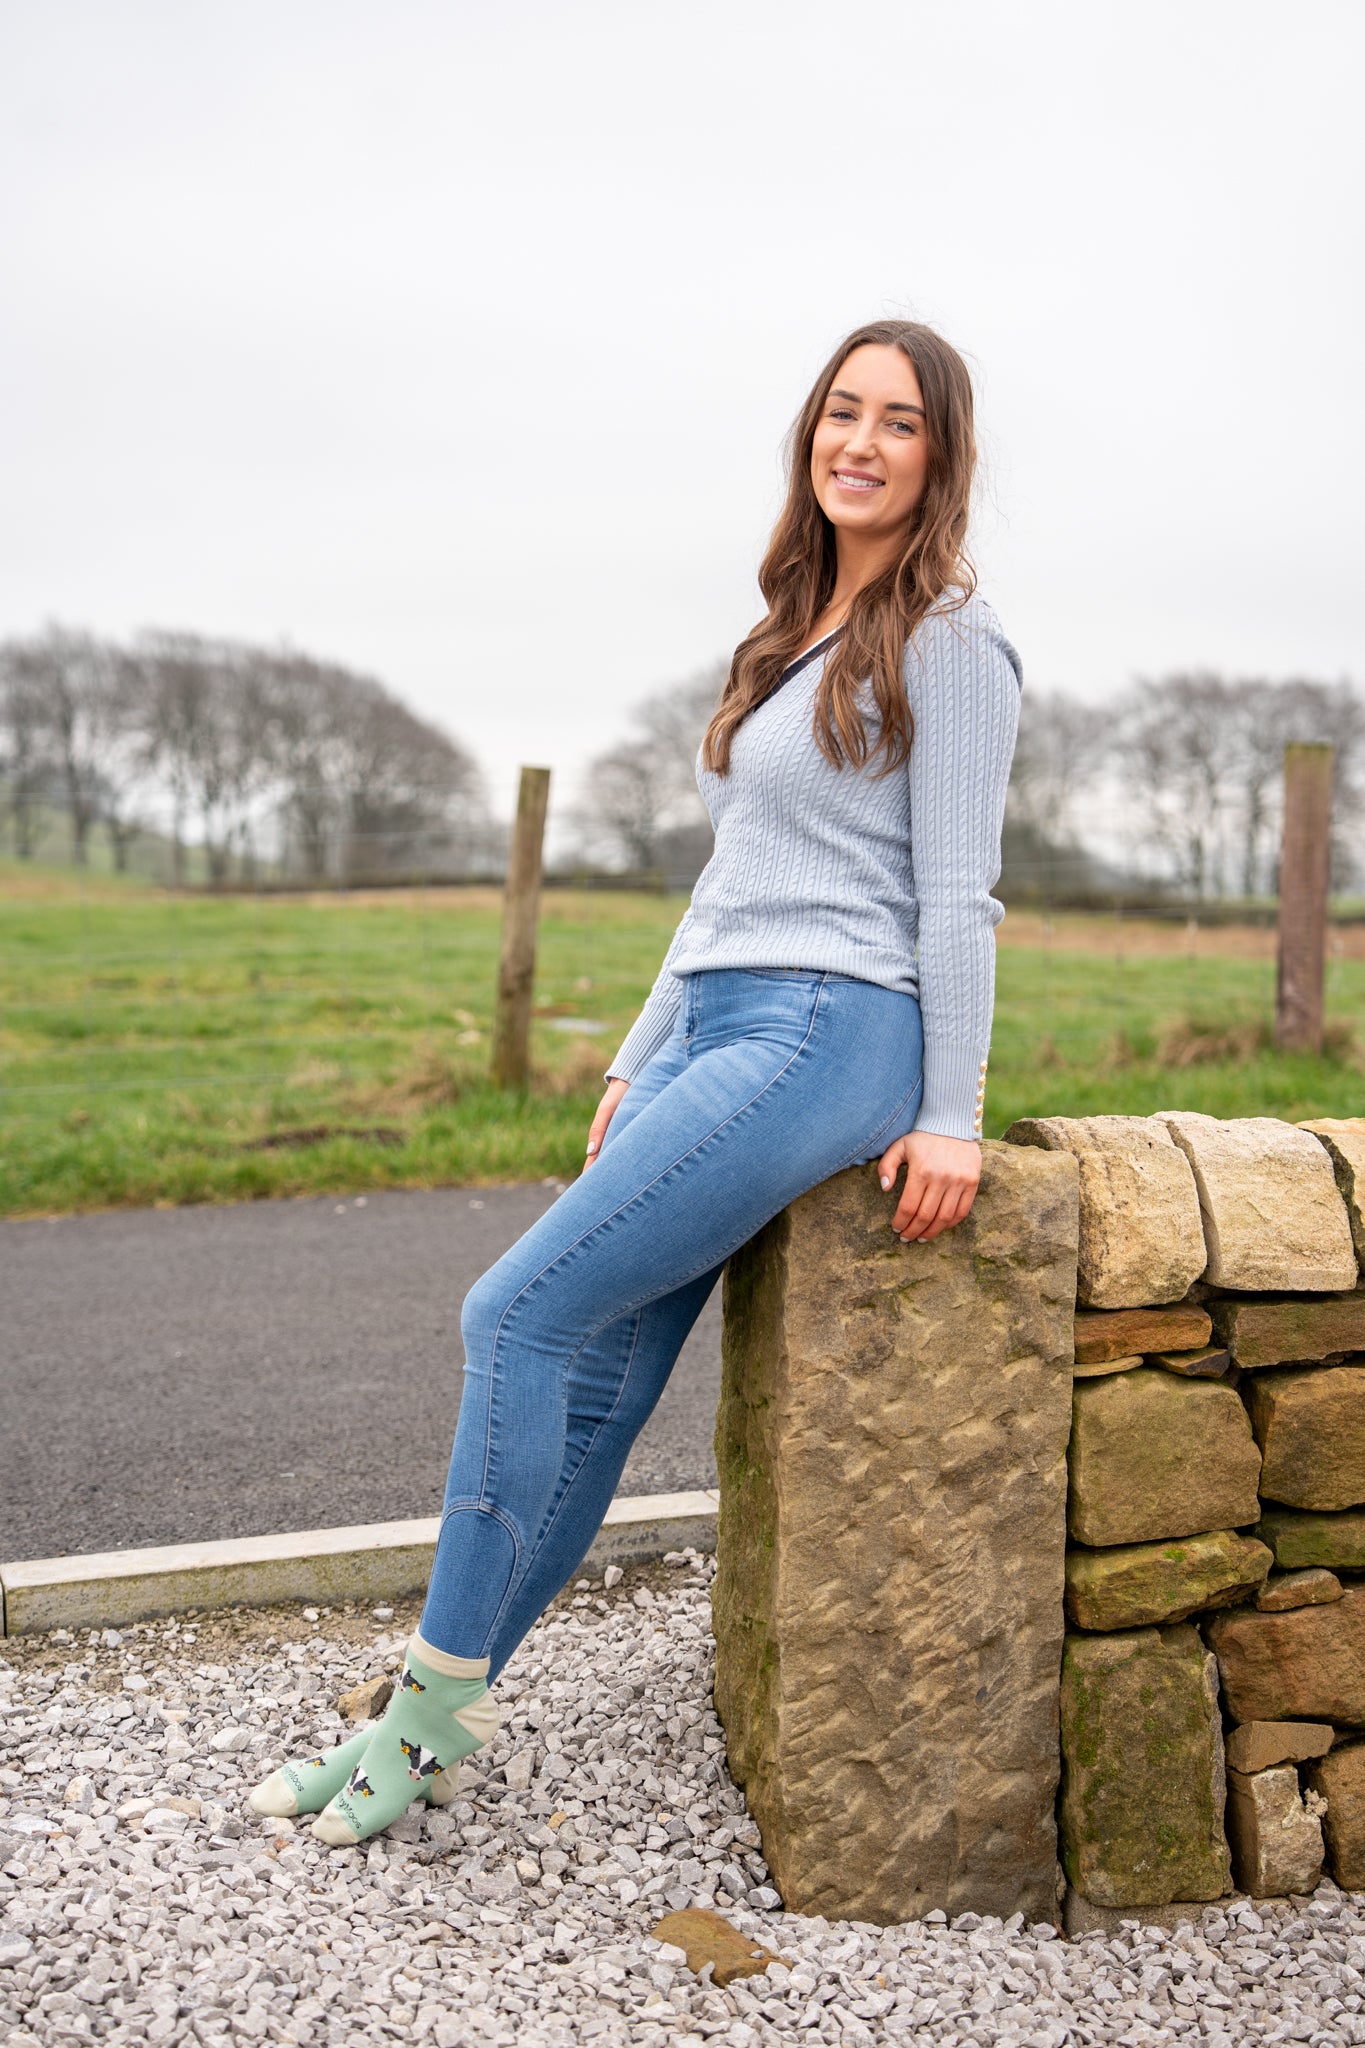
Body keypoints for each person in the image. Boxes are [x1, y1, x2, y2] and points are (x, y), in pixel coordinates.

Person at [251, 317, 1022, 1845]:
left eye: (899, 421)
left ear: (940, 456)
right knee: (596, 1380)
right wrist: (642, 1047)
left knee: (514, 1313)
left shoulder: (950, 640)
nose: (861, 443)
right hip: (727, 1022)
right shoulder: (792, 630)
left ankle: (424, 1716)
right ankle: (425, 1721)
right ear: (810, 434)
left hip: (832, 1026)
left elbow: (957, 897)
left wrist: (953, 1113)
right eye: (842, 412)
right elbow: (728, 878)